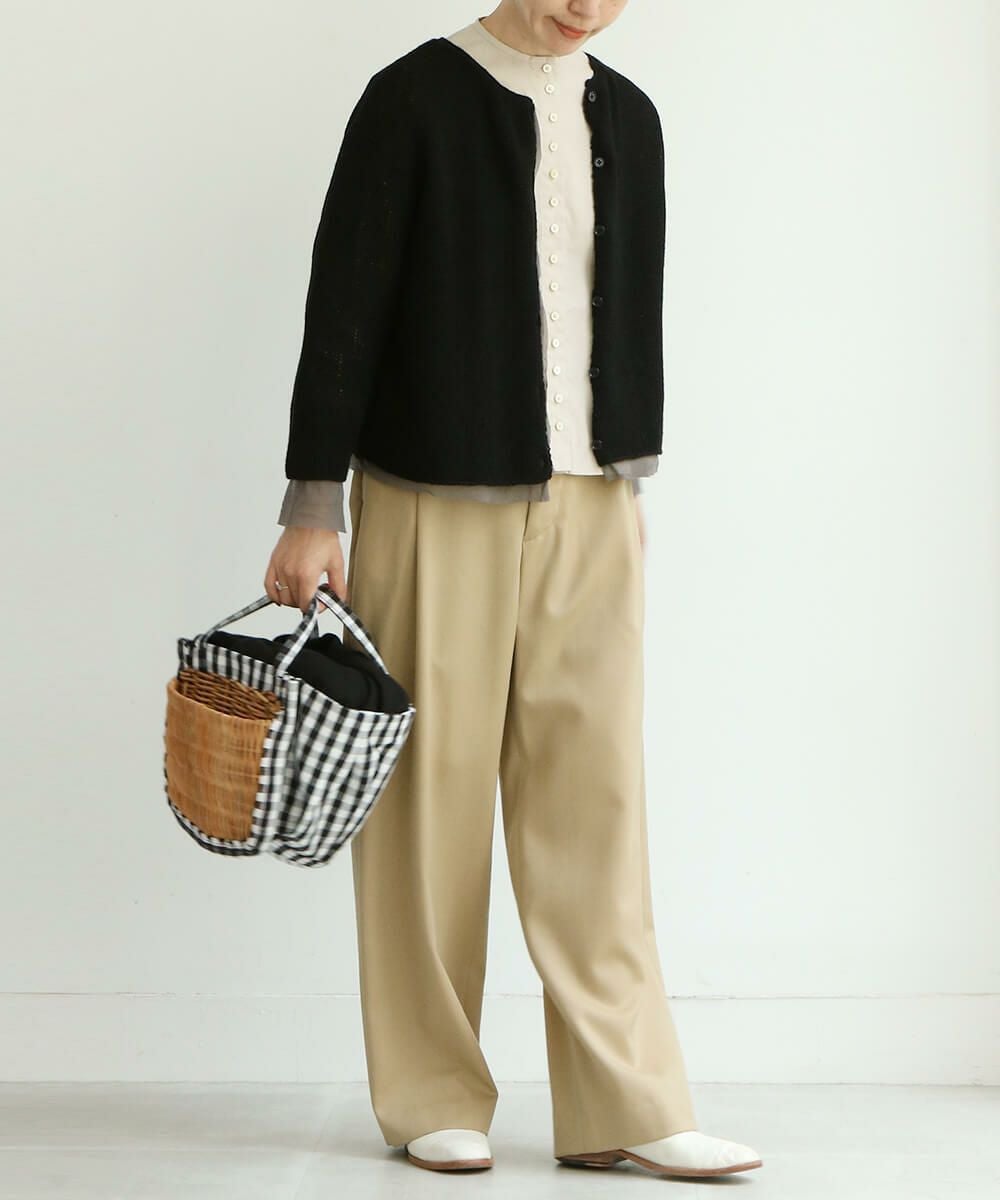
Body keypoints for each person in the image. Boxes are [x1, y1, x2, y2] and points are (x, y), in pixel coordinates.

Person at [263, 1, 763, 1180]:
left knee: (597, 802)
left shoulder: (629, 117)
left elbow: (619, 313)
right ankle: (431, 1090)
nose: (584, 4)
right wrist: (312, 505)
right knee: (428, 801)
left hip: (593, 500)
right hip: (434, 490)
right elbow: (344, 301)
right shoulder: (411, 99)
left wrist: (621, 480)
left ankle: (625, 1101)